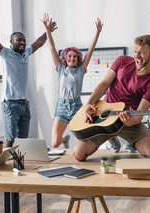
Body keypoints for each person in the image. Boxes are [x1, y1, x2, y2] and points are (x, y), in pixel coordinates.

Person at [0, 5, 56, 147]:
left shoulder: (26, 53)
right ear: (11, 42)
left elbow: (39, 43)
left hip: (24, 104)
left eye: (24, 40)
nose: (22, 42)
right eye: (19, 40)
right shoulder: (6, 53)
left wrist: (47, 31)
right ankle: (4, 166)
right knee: (10, 139)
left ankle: (19, 166)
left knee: (23, 140)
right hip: (10, 104)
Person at [72, 35, 150, 161]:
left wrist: (132, 121)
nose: (137, 56)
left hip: (128, 120)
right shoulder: (122, 61)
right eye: (135, 52)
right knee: (78, 154)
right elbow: (104, 84)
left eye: (142, 53)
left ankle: (129, 140)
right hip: (105, 117)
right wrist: (89, 103)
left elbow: (139, 114)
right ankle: (111, 136)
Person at [40, 13, 103, 148]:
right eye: (69, 56)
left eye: (75, 57)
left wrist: (97, 33)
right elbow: (52, 49)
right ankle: (64, 140)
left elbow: (90, 52)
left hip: (76, 106)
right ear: (65, 57)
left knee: (84, 139)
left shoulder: (81, 69)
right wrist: (47, 30)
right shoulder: (61, 68)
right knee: (55, 143)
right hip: (62, 107)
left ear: (78, 58)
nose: (72, 58)